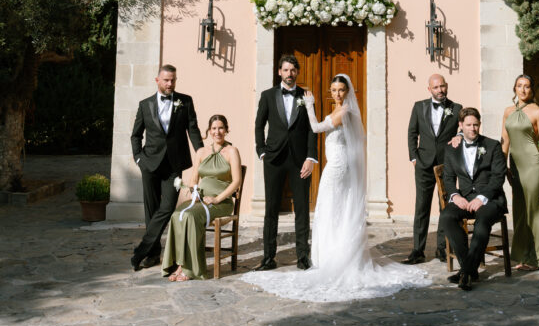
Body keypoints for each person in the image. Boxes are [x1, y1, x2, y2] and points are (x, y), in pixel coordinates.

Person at [244, 74, 432, 301]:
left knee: (331, 208)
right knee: (333, 209)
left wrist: (310, 106)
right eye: (333, 90)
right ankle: (330, 253)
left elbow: (314, 128)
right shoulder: (339, 111)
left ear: (347, 91)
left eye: (341, 90)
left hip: (338, 167)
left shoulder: (345, 112)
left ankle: (335, 257)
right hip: (333, 165)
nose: (337, 94)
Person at [130, 64, 203, 270]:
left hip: (174, 165)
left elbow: (193, 129)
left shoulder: (185, 101)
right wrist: (138, 158)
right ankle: (152, 255)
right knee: (151, 210)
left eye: (173, 80)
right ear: (157, 80)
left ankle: (141, 251)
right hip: (150, 164)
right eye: (166, 80)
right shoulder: (145, 105)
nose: (170, 83)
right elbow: (136, 135)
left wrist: (201, 153)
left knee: (168, 208)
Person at [254, 53, 318, 271]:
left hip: (300, 161)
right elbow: (258, 124)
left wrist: (311, 158)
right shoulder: (267, 96)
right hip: (273, 159)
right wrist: (261, 151)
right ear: (279, 72)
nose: (289, 74)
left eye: (293, 70)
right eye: (286, 70)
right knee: (271, 209)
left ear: (297, 72)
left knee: (301, 208)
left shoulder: (307, 96)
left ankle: (302, 257)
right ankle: (268, 257)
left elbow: (312, 128)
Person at [162, 114, 242, 281]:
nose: (217, 132)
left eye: (221, 128)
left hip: (221, 202)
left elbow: (236, 182)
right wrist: (193, 192)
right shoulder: (201, 152)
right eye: (214, 128)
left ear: (226, 130)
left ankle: (190, 269)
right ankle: (178, 264)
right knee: (177, 215)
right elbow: (194, 179)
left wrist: (217, 199)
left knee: (190, 217)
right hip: (199, 200)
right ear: (209, 131)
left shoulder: (232, 151)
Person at [440, 107, 507, 291]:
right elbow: (448, 178)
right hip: (465, 198)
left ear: (480, 125)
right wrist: (455, 196)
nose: (473, 129)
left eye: (476, 125)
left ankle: (466, 272)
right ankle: (470, 269)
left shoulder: (492, 146)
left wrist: (482, 197)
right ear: (460, 126)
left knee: (482, 220)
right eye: (468, 125)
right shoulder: (451, 148)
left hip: (491, 199)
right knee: (446, 217)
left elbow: (498, 177)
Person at [501, 74, 539, 270]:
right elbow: (505, 142)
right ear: (514, 88)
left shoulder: (537, 112)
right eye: (519, 86)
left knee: (536, 211)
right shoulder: (508, 112)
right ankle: (524, 257)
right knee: (520, 212)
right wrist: (502, 166)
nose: (523, 90)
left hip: (533, 166)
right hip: (515, 168)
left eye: (527, 86)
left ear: (531, 90)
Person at [405, 73, 462, 264]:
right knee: (421, 207)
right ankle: (417, 251)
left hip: (446, 165)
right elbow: (412, 133)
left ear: (447, 86)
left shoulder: (456, 108)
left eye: (442, 86)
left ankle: (442, 249)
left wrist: (460, 135)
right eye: (436, 87)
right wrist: (414, 158)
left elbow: (465, 128)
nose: (440, 90)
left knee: (445, 207)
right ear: (429, 89)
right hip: (423, 164)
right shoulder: (419, 106)